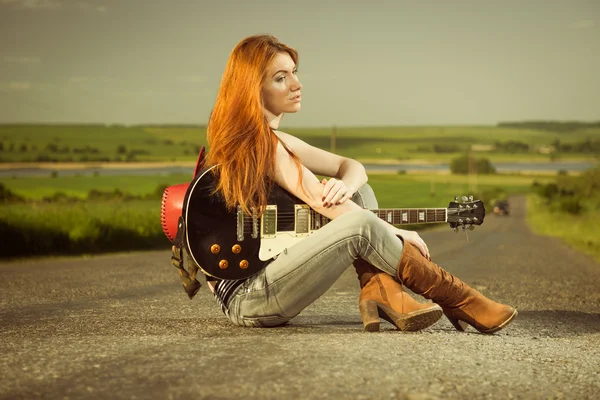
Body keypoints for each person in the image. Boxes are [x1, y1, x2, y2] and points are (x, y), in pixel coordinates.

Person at [202, 34, 517, 333]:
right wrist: (397, 231)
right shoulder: (261, 144)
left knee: (361, 194)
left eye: (294, 72)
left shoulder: (273, 140)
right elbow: (317, 198)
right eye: (281, 78)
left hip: (267, 285)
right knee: (360, 226)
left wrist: (348, 185)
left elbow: (350, 167)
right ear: (251, 89)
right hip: (250, 296)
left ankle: (383, 292)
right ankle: (460, 300)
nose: (297, 84)